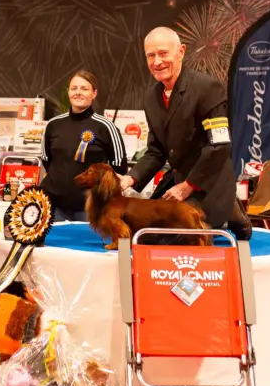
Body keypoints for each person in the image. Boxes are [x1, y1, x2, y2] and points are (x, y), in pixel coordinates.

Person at [119, 26, 252, 239]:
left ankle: (232, 210)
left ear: (181, 52)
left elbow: (219, 146)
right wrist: (129, 179)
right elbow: (156, 151)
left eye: (163, 53)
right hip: (176, 180)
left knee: (174, 238)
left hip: (207, 183)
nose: (157, 61)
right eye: (150, 55)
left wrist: (188, 186)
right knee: (144, 233)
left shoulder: (207, 87)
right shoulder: (150, 97)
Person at [40, 70, 127, 222]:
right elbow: (47, 161)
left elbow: (119, 169)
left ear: (94, 93)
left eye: (84, 89)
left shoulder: (106, 127)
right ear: (68, 92)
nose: (78, 92)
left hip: (89, 209)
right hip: (53, 205)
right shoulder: (53, 125)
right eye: (74, 88)